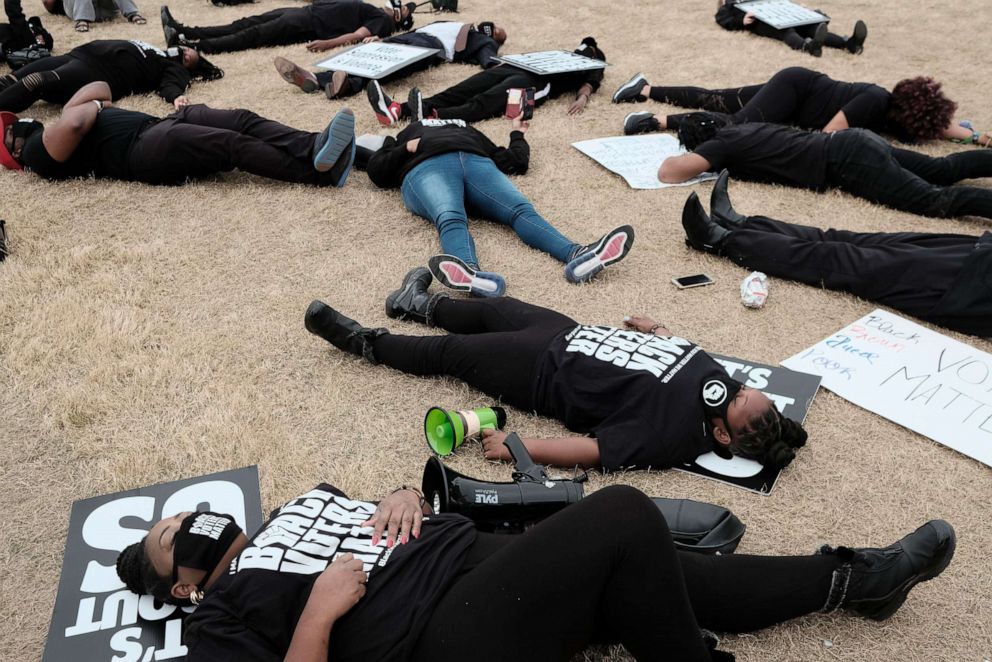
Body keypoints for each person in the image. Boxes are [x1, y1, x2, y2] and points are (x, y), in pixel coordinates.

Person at [114, 481, 957, 661]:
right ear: (181, 585)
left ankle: (859, 582)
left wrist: (403, 493)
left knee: (656, 568)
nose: (186, 524)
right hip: (433, 636)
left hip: (474, 564)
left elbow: (388, 509)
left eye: (181, 513)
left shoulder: (295, 507)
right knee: (624, 515)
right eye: (170, 539)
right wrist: (317, 616)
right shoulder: (217, 621)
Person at [304, 278, 806, 471]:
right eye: (745, 388)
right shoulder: (719, 383)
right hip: (567, 333)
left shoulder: (672, 436)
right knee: (493, 308)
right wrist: (656, 329)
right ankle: (416, 303)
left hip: (541, 371)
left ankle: (363, 341)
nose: (736, 387)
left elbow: (593, 452)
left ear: (721, 432)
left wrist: (519, 448)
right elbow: (682, 355)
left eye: (737, 400)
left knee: (452, 353)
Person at [681, 171, 992, 338]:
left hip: (969, 288)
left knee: (843, 260)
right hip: (979, 252)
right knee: (851, 241)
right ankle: (740, 222)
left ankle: (719, 240)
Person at [363, 116, 634, 296]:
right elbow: (377, 171)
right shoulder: (403, 133)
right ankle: (470, 273)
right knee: (450, 215)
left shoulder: (466, 127)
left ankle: (578, 254)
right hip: (426, 166)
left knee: (520, 209)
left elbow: (513, 161)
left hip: (478, 162)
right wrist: (405, 148)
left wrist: (517, 133)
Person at [0, 81, 358, 186]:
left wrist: (83, 107)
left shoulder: (60, 121)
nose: (15, 125)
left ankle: (313, 145)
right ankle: (316, 174)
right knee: (231, 145)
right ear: (12, 150)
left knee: (241, 119)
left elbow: (103, 86)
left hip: (158, 125)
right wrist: (91, 108)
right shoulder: (34, 153)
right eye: (7, 131)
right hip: (143, 151)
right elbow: (80, 120)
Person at [657, 113, 992, 221]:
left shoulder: (720, 145)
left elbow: (670, 173)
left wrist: (683, 154)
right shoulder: (743, 128)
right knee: (941, 169)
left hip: (848, 160)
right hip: (856, 141)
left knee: (934, 201)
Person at [614, 67, 991, 146]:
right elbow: (829, 135)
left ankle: (645, 88)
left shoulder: (898, 111)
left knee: (717, 97)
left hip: (795, 93)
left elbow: (941, 126)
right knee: (738, 123)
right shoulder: (875, 101)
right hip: (795, 89)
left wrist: (978, 138)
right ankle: (658, 119)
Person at [366, 36, 606, 125]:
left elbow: (590, 83)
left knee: (485, 101)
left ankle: (434, 118)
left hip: (539, 84)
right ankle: (398, 110)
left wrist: (583, 98)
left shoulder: (594, 64)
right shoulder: (564, 52)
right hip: (515, 68)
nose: (583, 49)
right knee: (461, 89)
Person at [273, 20, 505, 100]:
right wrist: (382, 38)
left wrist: (494, 63)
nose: (491, 28)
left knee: (390, 65)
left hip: (431, 47)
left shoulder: (479, 39)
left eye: (495, 31)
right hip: (412, 37)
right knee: (370, 55)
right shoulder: (455, 23)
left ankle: (347, 85)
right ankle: (315, 78)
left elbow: (490, 55)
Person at [0, 39, 222, 113]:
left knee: (37, 81)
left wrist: (175, 96)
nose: (183, 53)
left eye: (186, 58)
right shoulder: (156, 49)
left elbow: (171, 84)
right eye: (184, 49)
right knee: (10, 79)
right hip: (78, 54)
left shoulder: (174, 68)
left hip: (95, 73)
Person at [160, 0, 414, 55]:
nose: (396, 5)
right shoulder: (377, 11)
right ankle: (184, 31)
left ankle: (192, 47)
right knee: (246, 22)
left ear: (398, 20)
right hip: (304, 12)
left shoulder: (382, 23)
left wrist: (327, 44)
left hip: (308, 24)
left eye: (400, 10)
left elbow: (358, 35)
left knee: (253, 35)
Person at [714, 0, 866, 57]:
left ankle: (850, 44)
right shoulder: (731, 4)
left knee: (813, 28)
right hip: (761, 22)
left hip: (781, 15)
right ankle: (808, 47)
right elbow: (721, 17)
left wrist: (802, 11)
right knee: (787, 31)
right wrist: (741, 20)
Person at [42, 0, 145, 33]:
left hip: (105, 9)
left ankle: (133, 14)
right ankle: (83, 20)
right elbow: (48, 3)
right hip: (76, 8)